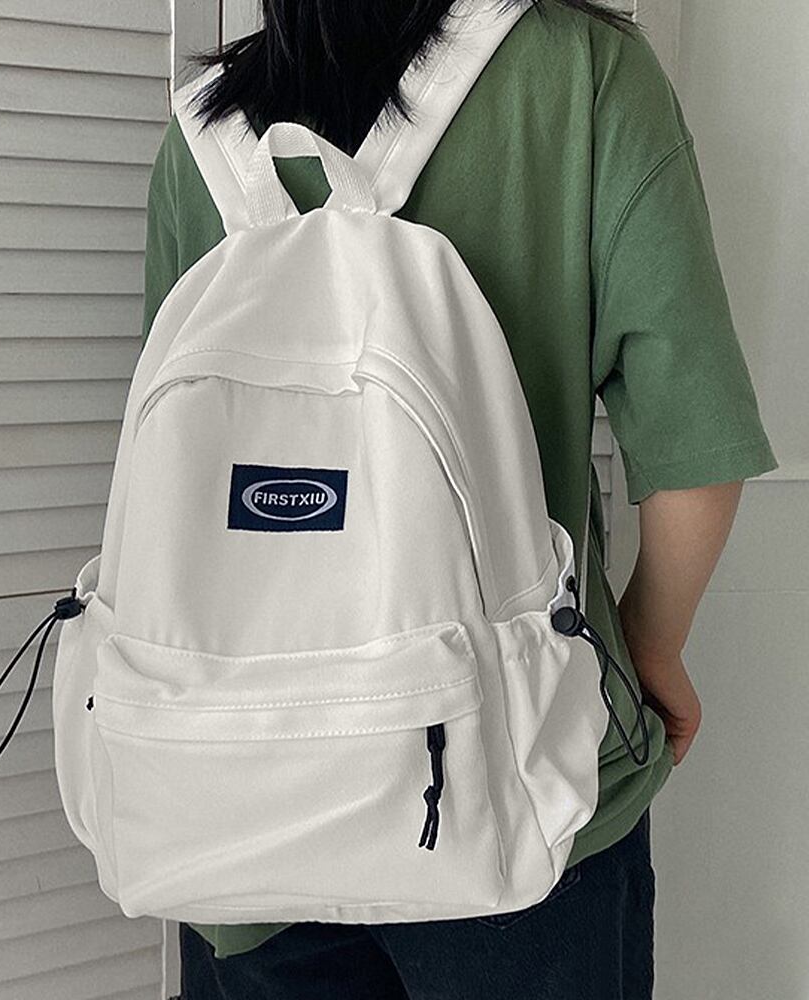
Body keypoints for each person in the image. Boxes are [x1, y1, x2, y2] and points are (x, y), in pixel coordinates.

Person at [143, 1, 778, 997]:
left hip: (243, 796)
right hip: (514, 785)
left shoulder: (206, 131)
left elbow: (173, 487)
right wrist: (651, 649)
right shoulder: (585, 75)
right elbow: (694, 454)